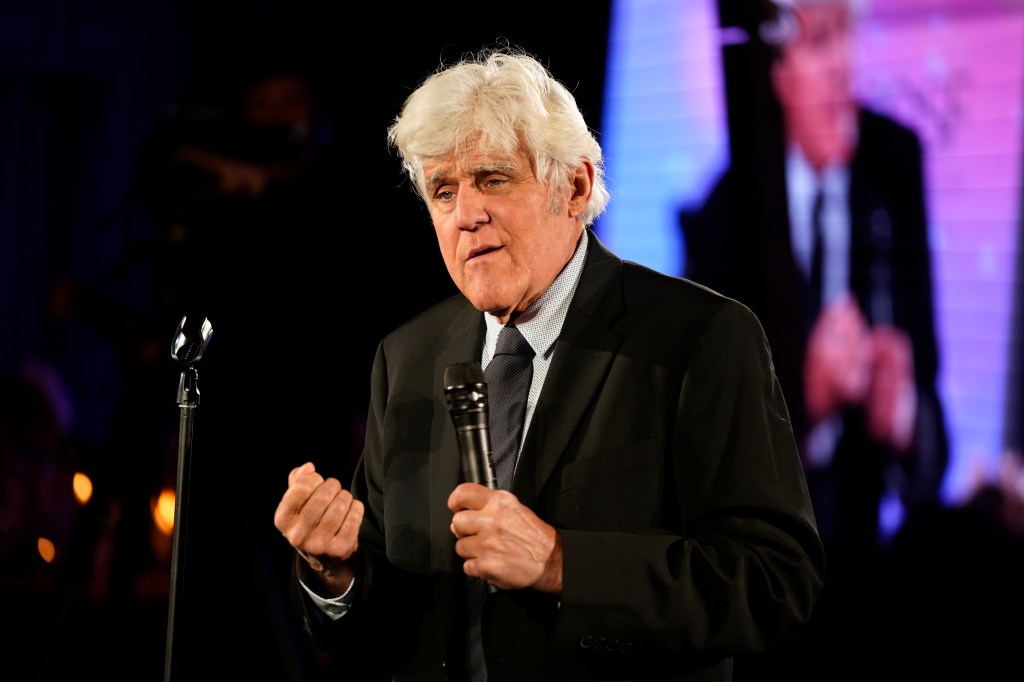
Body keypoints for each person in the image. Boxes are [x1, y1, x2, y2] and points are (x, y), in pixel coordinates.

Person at [273, 46, 825, 681]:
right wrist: (333, 573)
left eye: (494, 179)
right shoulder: (406, 356)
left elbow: (774, 581)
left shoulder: (696, 338)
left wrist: (562, 563)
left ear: (576, 186)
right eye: (442, 191)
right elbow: (396, 614)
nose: (464, 214)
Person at [678, 0, 949, 678]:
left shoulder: (894, 163)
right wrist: (807, 401)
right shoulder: (721, 217)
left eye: (846, 38)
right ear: (775, 72)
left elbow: (933, 430)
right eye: (819, 43)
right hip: (761, 590)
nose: (842, 69)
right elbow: (697, 445)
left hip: (871, 575)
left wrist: (907, 414)